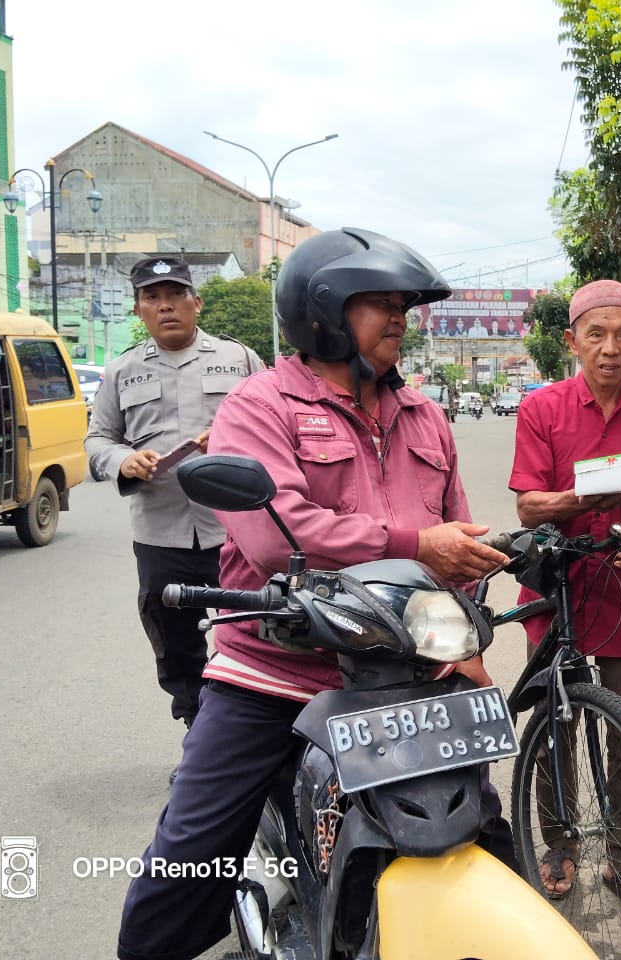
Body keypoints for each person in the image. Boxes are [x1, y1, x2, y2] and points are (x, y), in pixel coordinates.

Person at [115, 228, 512, 960]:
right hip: (276, 671)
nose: (399, 319)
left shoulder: (427, 416)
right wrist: (416, 545)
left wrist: (470, 609)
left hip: (404, 671)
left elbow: (455, 542)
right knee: (188, 853)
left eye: (403, 306)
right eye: (379, 304)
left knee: (477, 825)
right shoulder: (257, 405)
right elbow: (276, 540)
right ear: (324, 312)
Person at [508, 278, 621, 921]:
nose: (610, 348)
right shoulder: (543, 410)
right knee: (555, 729)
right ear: (572, 342)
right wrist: (596, 497)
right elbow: (529, 503)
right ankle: (557, 847)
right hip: (556, 593)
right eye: (596, 334)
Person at [86, 256, 262, 737]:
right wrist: (122, 460)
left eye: (176, 295)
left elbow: (274, 426)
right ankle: (198, 734)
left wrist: (231, 440)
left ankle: (250, 737)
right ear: (139, 310)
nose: (165, 307)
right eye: (152, 298)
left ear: (196, 302)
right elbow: (98, 438)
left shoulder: (241, 360)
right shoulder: (121, 371)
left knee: (252, 633)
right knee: (176, 644)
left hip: (236, 531)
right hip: (161, 534)